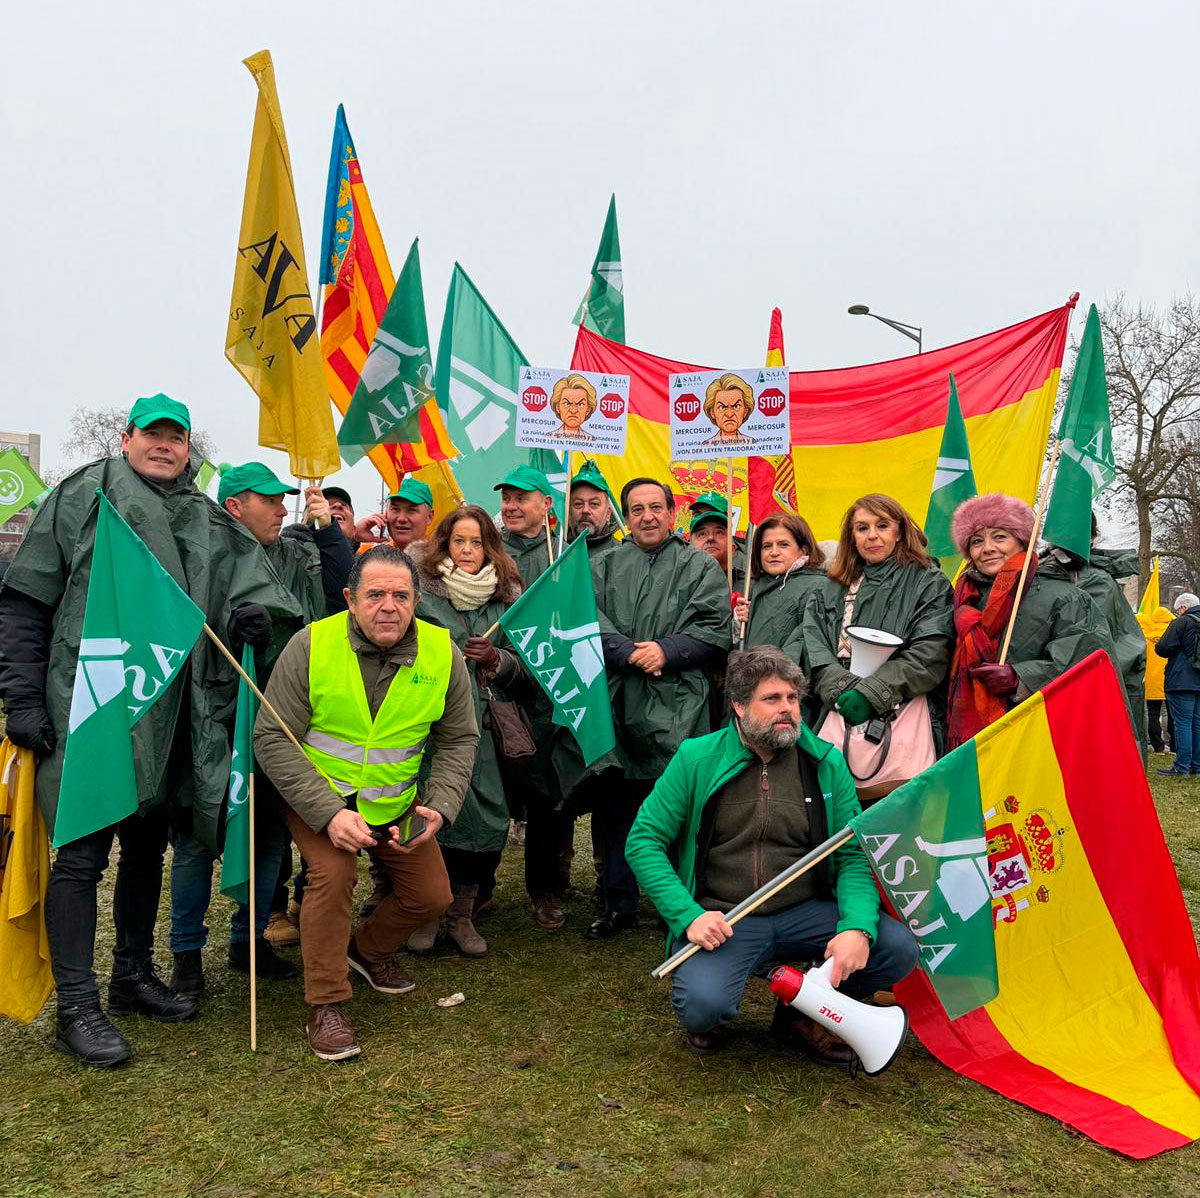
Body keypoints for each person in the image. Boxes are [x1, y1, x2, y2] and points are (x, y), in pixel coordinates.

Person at [0, 394, 302, 1068]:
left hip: (173, 713)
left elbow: (239, 600)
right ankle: (77, 1006)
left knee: (147, 847)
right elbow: (26, 598)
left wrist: (248, 624)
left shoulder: (204, 516)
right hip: (93, 702)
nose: (165, 446)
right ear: (127, 435)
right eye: (154, 435)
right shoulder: (86, 495)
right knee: (80, 854)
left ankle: (131, 974)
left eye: (177, 437)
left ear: (188, 445)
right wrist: (23, 699)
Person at [626, 647, 918, 1058]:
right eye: (772, 699)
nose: (787, 709)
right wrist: (687, 916)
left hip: (806, 910)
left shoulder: (825, 763)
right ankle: (717, 1006)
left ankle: (802, 1014)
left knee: (895, 948)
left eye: (793, 699)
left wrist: (856, 926)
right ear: (739, 707)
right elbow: (644, 841)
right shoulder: (696, 759)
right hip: (726, 916)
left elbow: (852, 854)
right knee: (702, 1009)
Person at [252, 545, 478, 1060]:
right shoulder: (311, 645)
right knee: (332, 878)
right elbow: (272, 737)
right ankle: (326, 1003)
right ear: (351, 599)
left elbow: (459, 737)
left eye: (401, 596)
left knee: (432, 896)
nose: (388, 607)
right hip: (319, 795)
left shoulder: (444, 653)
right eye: (375, 595)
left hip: (395, 801)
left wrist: (438, 804)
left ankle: (364, 951)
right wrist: (329, 814)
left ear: (417, 600)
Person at [168, 462, 356, 996]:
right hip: (214, 716)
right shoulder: (204, 553)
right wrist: (227, 627)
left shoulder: (293, 552)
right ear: (235, 506)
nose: (281, 508)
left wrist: (327, 529)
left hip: (280, 718)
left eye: (284, 499)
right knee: (201, 836)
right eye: (269, 500)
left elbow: (341, 589)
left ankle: (249, 941)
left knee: (270, 834)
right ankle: (186, 953)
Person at [578, 478, 731, 939]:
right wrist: (626, 650)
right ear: (626, 515)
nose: (647, 516)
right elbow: (585, 617)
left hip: (680, 706)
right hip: (618, 701)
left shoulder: (700, 566)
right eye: (637, 508)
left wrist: (666, 650)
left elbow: (715, 627)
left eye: (655, 507)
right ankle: (618, 902)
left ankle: (681, 906)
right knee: (616, 810)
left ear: (671, 512)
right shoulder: (603, 565)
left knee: (682, 813)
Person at [407, 506, 525, 957]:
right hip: (432, 726)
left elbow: (529, 667)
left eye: (477, 542)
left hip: (489, 727)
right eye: (460, 541)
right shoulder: (423, 593)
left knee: (486, 816)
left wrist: (497, 661)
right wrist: (449, 656)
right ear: (445, 544)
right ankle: (428, 912)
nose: (468, 551)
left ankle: (461, 913)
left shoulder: (508, 598)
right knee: (430, 810)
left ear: (490, 546)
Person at [945, 494, 1107, 750]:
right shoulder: (959, 601)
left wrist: (1020, 678)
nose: (987, 548)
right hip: (968, 744)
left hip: (1037, 738)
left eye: (999, 537)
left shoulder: (1066, 597)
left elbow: (1086, 665)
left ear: (1022, 541)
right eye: (977, 541)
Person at [802, 493, 954, 753]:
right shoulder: (831, 587)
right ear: (852, 538)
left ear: (899, 532)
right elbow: (813, 646)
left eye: (882, 525)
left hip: (905, 712)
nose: (872, 535)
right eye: (862, 528)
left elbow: (931, 651)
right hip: (836, 709)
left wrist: (873, 693)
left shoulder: (929, 582)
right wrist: (844, 689)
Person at [1040, 518, 1147, 753]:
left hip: (1090, 688)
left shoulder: (1098, 581)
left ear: (1092, 537)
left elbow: (1084, 642)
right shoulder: (1038, 572)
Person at [733, 514, 826, 718]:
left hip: (788, 697)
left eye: (783, 544)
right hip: (750, 695)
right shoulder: (753, 587)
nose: (774, 552)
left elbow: (806, 643)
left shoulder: (818, 587)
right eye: (767, 546)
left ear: (803, 549)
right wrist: (738, 624)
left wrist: (767, 678)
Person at [1154, 592, 1200, 777]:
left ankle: (1181, 767)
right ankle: (1196, 766)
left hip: (1181, 679)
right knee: (1197, 724)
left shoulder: (1181, 622)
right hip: (1199, 680)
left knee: (1183, 723)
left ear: (1183, 608)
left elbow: (1163, 648)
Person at [496, 464, 554, 586]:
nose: (510, 507)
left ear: (546, 504)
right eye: (506, 499)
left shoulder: (563, 554)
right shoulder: (489, 550)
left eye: (520, 499)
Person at [353, 478, 434, 553]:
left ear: (429, 517)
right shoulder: (369, 553)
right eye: (395, 509)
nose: (401, 518)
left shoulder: (440, 559)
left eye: (411, 510)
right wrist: (354, 538)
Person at [687, 491, 747, 590]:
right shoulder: (676, 581)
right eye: (697, 514)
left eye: (719, 532)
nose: (710, 537)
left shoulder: (748, 584)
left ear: (732, 548)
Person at [1139, 604, 1176, 754]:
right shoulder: (1173, 635)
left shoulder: (1146, 636)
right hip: (1170, 678)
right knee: (1170, 714)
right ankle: (1173, 745)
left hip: (1151, 680)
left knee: (1153, 713)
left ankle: (1157, 746)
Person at [567, 460, 621, 561]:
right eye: (578, 504)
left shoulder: (623, 557)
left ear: (608, 513)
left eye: (594, 504)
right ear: (568, 512)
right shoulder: (554, 555)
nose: (586, 510)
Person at [698, 373, 757, 449]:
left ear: (745, 411)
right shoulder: (705, 447)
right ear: (712, 413)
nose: (729, 414)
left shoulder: (753, 445)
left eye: (736, 406)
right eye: (722, 407)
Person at [547, 373, 599, 444]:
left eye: (580, 404)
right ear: (557, 407)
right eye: (567, 403)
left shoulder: (593, 442)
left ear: (588, 410)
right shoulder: (548, 439)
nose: (573, 410)